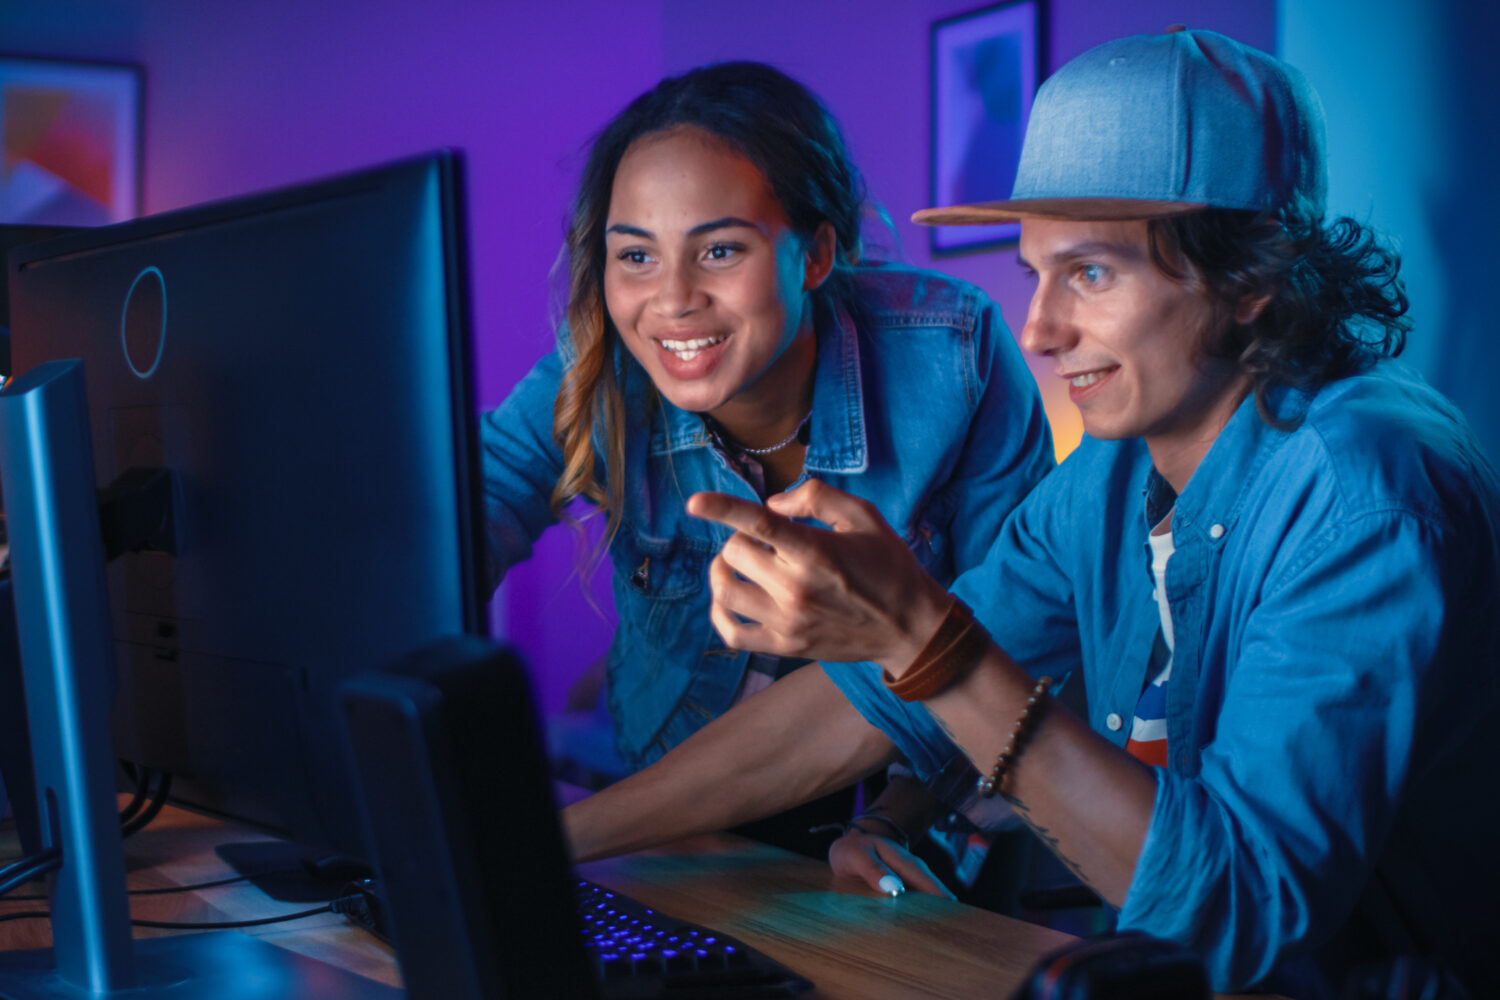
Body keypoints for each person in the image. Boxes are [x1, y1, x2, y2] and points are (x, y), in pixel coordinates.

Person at [562, 29, 1500, 998]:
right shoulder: (1110, 472)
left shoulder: (1366, 494)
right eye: (1036, 272)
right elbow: (862, 705)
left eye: (1090, 273)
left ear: (1251, 280)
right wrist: (555, 839)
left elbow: (1236, 910)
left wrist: (924, 639)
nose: (1039, 329)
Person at [481, 61, 1053, 856]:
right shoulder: (600, 372)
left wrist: (897, 821)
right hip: (684, 838)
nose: (672, 300)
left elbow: (1007, 651)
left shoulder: (956, 356)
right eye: (636, 256)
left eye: (719, 250)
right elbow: (461, 517)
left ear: (815, 254)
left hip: (916, 822)